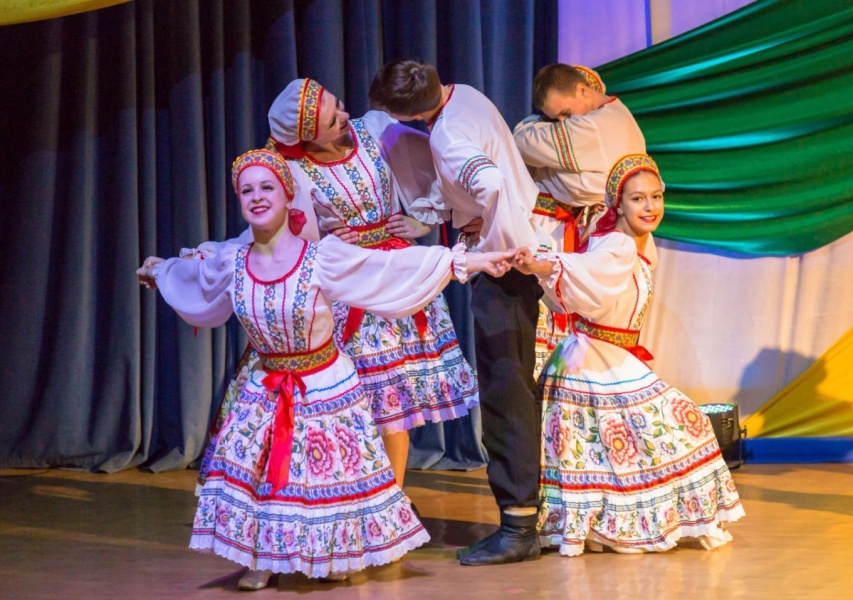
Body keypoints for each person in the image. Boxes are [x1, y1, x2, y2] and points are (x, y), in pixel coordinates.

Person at [137, 150, 514, 588]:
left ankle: (335, 551)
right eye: (247, 190)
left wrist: (472, 261)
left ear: (288, 195)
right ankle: (263, 555)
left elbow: (389, 267)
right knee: (266, 473)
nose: (257, 197)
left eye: (267, 188)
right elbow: (193, 278)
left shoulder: (320, 258)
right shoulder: (233, 262)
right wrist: (160, 271)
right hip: (267, 385)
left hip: (323, 384)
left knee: (326, 475)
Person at [513, 154, 744, 555]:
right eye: (638, 199)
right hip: (594, 360)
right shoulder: (618, 244)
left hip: (607, 355)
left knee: (605, 456)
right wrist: (544, 264)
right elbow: (588, 272)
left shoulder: (636, 239)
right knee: (679, 428)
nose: (650, 207)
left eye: (656, 196)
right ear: (618, 205)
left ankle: (601, 528)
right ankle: (615, 526)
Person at [369, 59, 546, 566]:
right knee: (511, 387)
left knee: (505, 393)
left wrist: (498, 248)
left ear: (408, 115)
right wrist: (434, 215)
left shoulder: (446, 135)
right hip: (512, 251)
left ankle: (518, 528)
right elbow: (473, 183)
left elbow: (490, 184)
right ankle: (522, 520)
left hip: (505, 263)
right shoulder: (463, 94)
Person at [264, 78, 478, 489]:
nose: (345, 116)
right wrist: (324, 241)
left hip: (396, 276)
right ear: (308, 137)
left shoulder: (375, 128)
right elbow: (285, 239)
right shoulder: (292, 170)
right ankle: (351, 495)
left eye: (339, 105)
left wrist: (427, 217)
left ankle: (392, 499)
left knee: (394, 404)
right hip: (349, 287)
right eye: (332, 120)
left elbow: (442, 161)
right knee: (356, 401)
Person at [513, 63, 646, 376]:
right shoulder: (616, 114)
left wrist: (553, 170)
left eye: (564, 114)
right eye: (554, 118)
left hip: (597, 233)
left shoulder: (598, 126)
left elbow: (522, 140)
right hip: (587, 230)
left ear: (583, 90)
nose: (562, 123)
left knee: (584, 331)